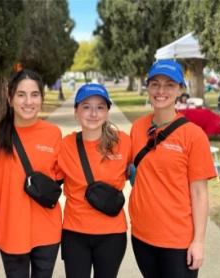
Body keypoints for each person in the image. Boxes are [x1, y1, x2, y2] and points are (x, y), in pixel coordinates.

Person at [129, 60, 216, 278]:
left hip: (177, 240)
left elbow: (199, 193)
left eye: (169, 84)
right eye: (155, 84)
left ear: (180, 89)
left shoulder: (193, 136)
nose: (161, 91)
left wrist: (198, 241)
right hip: (142, 235)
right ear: (147, 87)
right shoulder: (138, 128)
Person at [0, 69, 63, 278]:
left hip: (47, 230)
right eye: (21, 94)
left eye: (34, 95)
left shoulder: (53, 133)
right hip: (11, 230)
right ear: (9, 98)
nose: (28, 101)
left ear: (41, 98)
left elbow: (59, 177)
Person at [58, 83, 131, 278]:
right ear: (76, 112)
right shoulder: (65, 145)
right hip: (75, 233)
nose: (93, 113)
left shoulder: (123, 142)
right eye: (86, 107)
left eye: (100, 107)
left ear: (107, 112)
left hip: (112, 234)